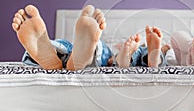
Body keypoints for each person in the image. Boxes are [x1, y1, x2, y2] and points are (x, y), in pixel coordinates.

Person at [12, 4, 171, 70]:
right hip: (111, 59)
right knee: (77, 50)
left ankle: (55, 55)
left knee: (68, 47)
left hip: (109, 57)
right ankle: (148, 57)